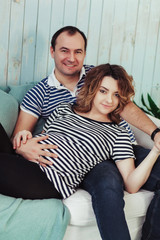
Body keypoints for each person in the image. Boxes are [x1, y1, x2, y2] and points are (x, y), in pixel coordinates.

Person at [9, 26, 160, 240]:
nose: (71, 58)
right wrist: (25, 146)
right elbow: (20, 135)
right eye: (64, 51)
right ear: (52, 51)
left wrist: (155, 135)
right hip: (81, 160)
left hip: (116, 146)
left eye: (78, 51)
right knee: (107, 183)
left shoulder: (99, 75)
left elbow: (126, 106)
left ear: (84, 53)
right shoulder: (41, 94)